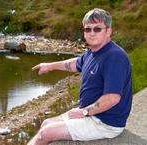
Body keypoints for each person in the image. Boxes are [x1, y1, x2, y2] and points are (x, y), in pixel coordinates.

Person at [28, 8, 132, 145]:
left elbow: (112, 98)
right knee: (47, 122)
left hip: (105, 122)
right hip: (92, 114)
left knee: (45, 133)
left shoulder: (114, 57)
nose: (92, 33)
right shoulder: (93, 52)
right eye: (88, 29)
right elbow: (74, 64)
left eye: (97, 29)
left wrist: (84, 112)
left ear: (108, 31)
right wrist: (50, 65)